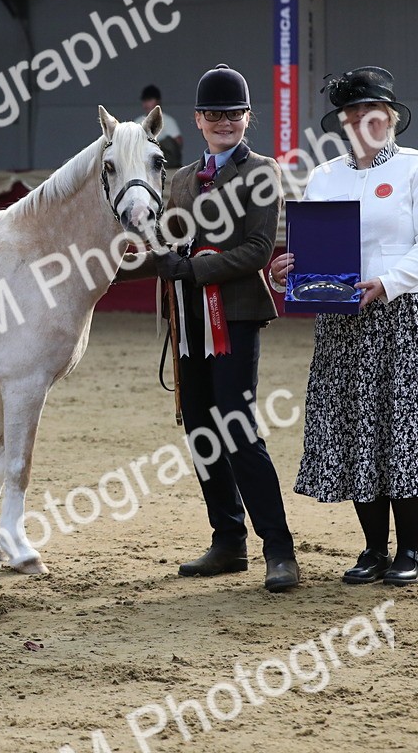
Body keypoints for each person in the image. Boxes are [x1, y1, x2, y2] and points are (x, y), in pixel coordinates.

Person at [269, 66, 418, 586]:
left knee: (404, 428)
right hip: (344, 320)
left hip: (410, 314)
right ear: (342, 121)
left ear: (391, 117)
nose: (361, 118)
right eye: (352, 112)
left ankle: (409, 550)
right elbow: (313, 251)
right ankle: (372, 549)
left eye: (371, 110)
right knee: (358, 426)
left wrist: (389, 281)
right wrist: (289, 269)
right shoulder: (324, 176)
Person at [119, 64, 299, 592]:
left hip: (236, 315)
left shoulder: (261, 172)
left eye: (233, 114)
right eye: (214, 114)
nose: (224, 122)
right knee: (200, 428)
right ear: (198, 120)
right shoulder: (175, 180)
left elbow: (258, 249)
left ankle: (279, 548)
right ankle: (228, 540)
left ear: (248, 119)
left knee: (238, 428)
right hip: (187, 321)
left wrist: (192, 268)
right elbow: (164, 247)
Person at [136, 85, 183, 168]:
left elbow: (177, 143)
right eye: (144, 101)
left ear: (158, 101)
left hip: (165, 163)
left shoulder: (167, 120)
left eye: (149, 100)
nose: (146, 104)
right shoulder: (138, 121)